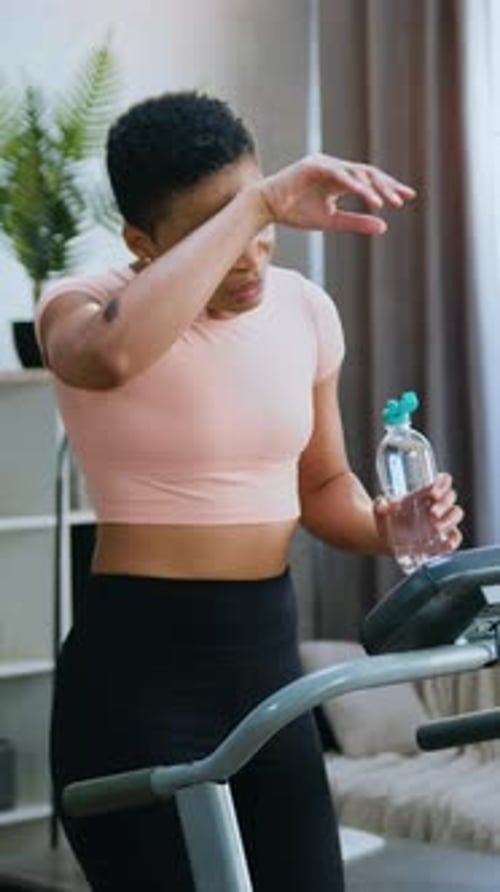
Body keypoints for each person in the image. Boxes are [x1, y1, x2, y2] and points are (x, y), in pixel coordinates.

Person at [36, 91, 463, 892]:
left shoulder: (305, 310)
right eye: (217, 229)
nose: (249, 254)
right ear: (140, 242)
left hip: (269, 670)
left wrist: (387, 525)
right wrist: (257, 205)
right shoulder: (82, 305)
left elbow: (322, 485)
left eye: (258, 220)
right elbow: (109, 359)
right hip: (136, 679)